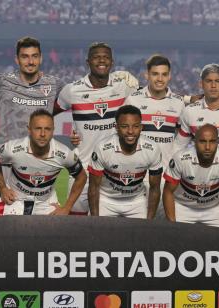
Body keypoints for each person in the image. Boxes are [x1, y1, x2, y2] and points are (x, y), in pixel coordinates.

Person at [56, 42, 139, 215]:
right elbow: (48, 114)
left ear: (112, 62)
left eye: (106, 57)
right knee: (75, 220)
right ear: (88, 62)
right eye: (96, 57)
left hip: (113, 170)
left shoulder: (124, 87)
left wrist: (189, 99)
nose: (102, 60)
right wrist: (72, 130)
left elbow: (152, 98)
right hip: (83, 169)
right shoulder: (72, 91)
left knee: (109, 226)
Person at [172, 63, 219, 230]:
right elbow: (178, 147)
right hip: (194, 185)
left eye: (217, 81)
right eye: (209, 81)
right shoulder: (190, 111)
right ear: (201, 84)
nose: (213, 85)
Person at [0, 109, 86, 215]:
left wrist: (67, 207)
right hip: (15, 200)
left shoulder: (64, 154)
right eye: (38, 128)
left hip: (47, 204)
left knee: (56, 231)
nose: (43, 134)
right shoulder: (13, 149)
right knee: (3, 230)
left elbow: (82, 177)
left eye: (47, 129)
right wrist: (3, 188)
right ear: (29, 129)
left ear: (53, 130)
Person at [124, 54, 186, 220]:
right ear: (146, 75)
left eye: (164, 74)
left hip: (167, 177)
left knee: (163, 230)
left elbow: (184, 138)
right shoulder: (133, 100)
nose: (160, 79)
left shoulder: (178, 103)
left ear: (170, 76)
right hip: (138, 175)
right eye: (155, 74)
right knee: (136, 229)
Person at [88, 105, 163, 218]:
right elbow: (93, 187)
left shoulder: (152, 149)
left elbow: (155, 188)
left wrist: (149, 221)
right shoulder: (102, 148)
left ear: (141, 127)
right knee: (97, 233)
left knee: (144, 235)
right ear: (116, 127)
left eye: (136, 126)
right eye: (124, 126)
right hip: (106, 199)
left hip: (136, 201)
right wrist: (95, 219)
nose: (130, 131)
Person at [163, 124, 219, 229]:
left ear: (217, 142)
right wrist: (172, 225)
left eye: (212, 141)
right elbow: (167, 192)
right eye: (203, 141)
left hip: (213, 209)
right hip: (183, 207)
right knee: (173, 240)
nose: (208, 147)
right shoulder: (180, 158)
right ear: (195, 142)